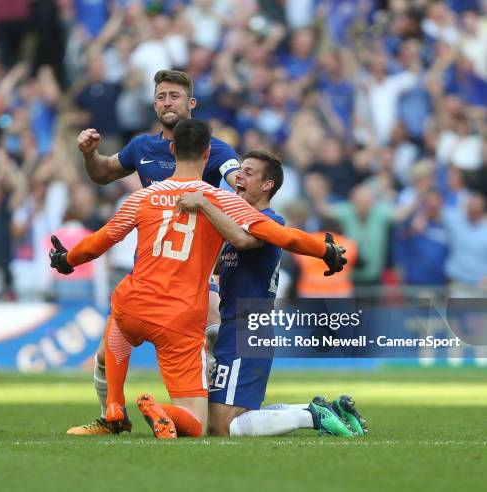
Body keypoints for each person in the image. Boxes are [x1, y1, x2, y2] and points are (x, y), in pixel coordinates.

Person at [50, 119, 347, 438]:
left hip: (135, 302)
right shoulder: (224, 201)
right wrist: (324, 249)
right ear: (208, 154)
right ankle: (163, 412)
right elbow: (280, 235)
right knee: (200, 423)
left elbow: (103, 239)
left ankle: (113, 409)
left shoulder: (143, 197)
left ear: (173, 150)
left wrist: (67, 259)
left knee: (119, 321)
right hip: (180, 318)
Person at [71, 69, 241, 434]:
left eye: (175, 96)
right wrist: (90, 154)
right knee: (104, 356)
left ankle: (217, 407)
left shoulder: (212, 148)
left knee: (214, 324)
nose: (168, 102)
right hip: (149, 273)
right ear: (154, 103)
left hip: (196, 274)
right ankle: (112, 417)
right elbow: (102, 173)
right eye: (162, 96)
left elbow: (236, 178)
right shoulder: (141, 148)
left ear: (191, 103)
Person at [176, 151, 364, 437]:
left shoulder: (267, 219)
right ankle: (322, 410)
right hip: (236, 326)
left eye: (249, 172)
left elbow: (243, 240)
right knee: (231, 418)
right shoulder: (237, 223)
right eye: (240, 170)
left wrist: (204, 203)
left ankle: (312, 418)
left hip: (248, 325)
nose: (239, 176)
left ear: (267, 185)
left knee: (224, 426)